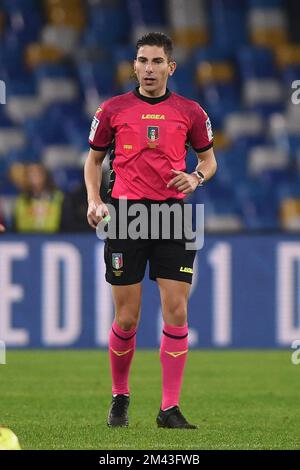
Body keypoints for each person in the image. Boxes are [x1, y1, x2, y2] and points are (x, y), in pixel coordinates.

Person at [84, 32, 217, 429]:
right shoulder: (112, 110)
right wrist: (94, 200)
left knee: (176, 311)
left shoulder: (191, 112)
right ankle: (120, 396)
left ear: (170, 68)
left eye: (157, 62)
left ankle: (169, 408)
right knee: (127, 317)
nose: (148, 68)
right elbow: (93, 163)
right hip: (126, 215)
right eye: (142, 60)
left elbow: (209, 161)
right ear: (134, 66)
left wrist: (196, 178)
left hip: (173, 217)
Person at [13, 163, 64, 233]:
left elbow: (63, 221)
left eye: (38, 172)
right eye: (31, 173)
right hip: (26, 236)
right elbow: (18, 224)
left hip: (54, 237)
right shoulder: (22, 199)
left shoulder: (58, 197)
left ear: (45, 175)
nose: (35, 176)